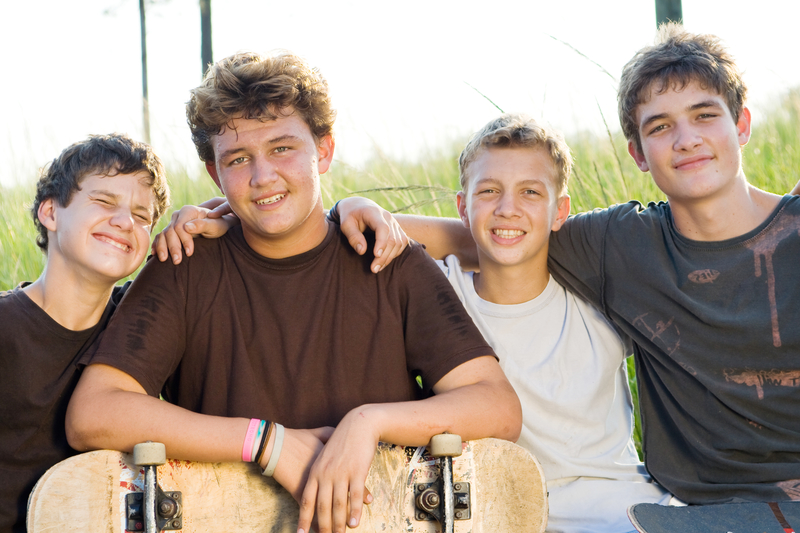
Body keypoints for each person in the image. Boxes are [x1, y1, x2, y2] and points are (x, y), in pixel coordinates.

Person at [65, 50, 521, 533]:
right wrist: (266, 442)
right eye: (239, 160)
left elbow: (497, 408)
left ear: (323, 151)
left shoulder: (390, 258)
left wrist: (367, 423)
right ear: (215, 174)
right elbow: (93, 413)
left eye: (282, 148)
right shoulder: (184, 264)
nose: (263, 177)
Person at [393, 23, 800, 505]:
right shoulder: (620, 243)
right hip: (698, 509)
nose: (686, 139)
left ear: (743, 125)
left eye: (705, 115)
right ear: (638, 154)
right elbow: (507, 234)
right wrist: (359, 211)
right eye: (661, 126)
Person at [441, 113, 672, 531]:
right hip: (506, 511)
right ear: (462, 206)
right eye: (489, 191)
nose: (507, 208)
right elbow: (342, 235)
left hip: (623, 508)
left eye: (530, 192)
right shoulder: (443, 290)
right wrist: (356, 205)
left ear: (559, 210)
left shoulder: (600, 291)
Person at [0, 133, 171, 533]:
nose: (125, 221)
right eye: (104, 201)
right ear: (51, 213)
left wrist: (343, 211)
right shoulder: (5, 326)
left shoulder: (146, 326)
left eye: (142, 216)